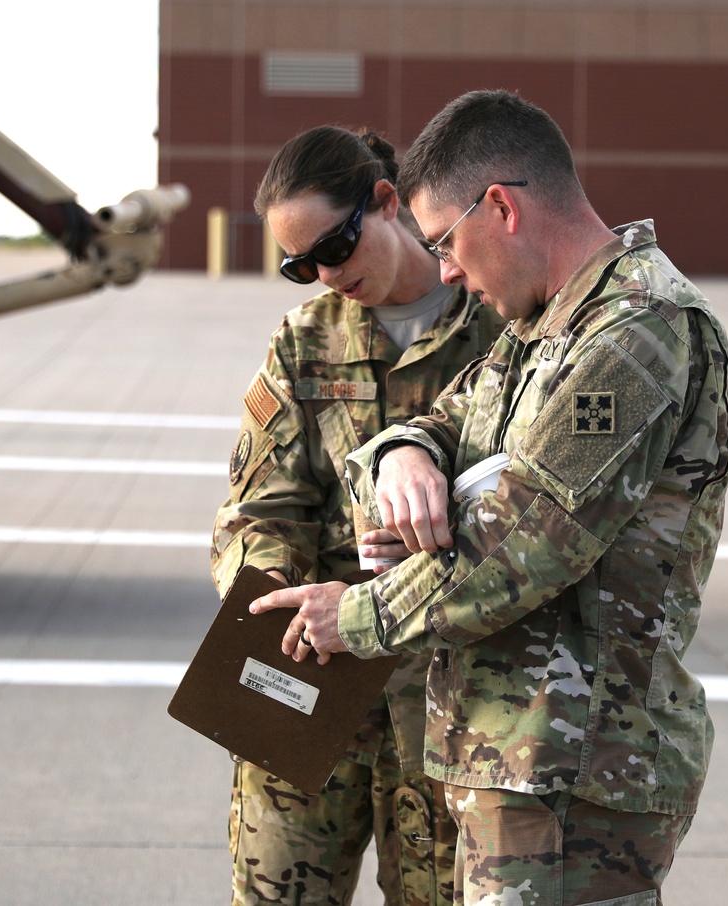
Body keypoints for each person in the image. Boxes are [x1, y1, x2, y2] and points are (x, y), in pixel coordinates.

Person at [251, 91, 728, 906]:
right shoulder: (540, 331)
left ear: (503, 208)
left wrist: (355, 617)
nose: (443, 268)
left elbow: (523, 543)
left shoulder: (634, 337)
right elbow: (446, 418)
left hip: (577, 771)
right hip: (522, 762)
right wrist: (404, 453)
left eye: (446, 240)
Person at [211, 125, 504, 906]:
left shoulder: (497, 328)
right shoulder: (305, 344)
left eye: (335, 249)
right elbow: (256, 506)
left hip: (449, 700)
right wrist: (268, 588)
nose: (326, 275)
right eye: (299, 265)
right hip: (306, 675)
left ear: (384, 202)